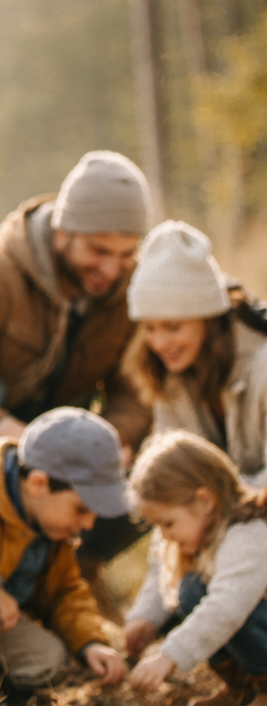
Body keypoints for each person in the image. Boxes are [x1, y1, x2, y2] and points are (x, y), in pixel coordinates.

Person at [0, 150, 152, 571]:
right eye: (99, 249)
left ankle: (77, 568)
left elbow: (138, 388)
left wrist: (112, 441)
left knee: (160, 451)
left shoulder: (127, 288)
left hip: (68, 439)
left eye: (126, 254)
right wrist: (25, 442)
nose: (112, 268)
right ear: (63, 230)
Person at [122, 222, 267, 664]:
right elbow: (170, 499)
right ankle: (243, 678)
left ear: (208, 315)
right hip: (236, 531)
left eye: (172, 326)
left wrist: (224, 502)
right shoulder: (173, 385)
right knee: (189, 590)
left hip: (257, 533)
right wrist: (147, 611)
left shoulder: (263, 369)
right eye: (148, 328)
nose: (159, 342)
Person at [0, 407, 129, 706]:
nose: (89, 524)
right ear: (38, 484)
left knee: (48, 659)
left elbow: (64, 590)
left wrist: (90, 642)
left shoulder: (49, 524)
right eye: (82, 509)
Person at [129, 432, 267, 706]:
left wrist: (169, 655)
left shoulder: (248, 533)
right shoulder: (212, 539)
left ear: (205, 501)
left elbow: (227, 608)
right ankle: (242, 686)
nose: (165, 535)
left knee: (221, 601)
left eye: (168, 523)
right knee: (190, 590)